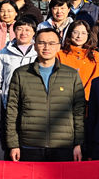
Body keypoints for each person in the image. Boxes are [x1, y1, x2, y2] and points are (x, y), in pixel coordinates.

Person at [5, 28, 85, 162]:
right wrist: (13, 144)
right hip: (29, 145)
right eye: (41, 43)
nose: (46, 47)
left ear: (58, 46)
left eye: (52, 43)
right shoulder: (21, 74)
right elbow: (12, 111)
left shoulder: (71, 75)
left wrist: (78, 143)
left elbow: (79, 112)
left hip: (63, 145)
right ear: (35, 45)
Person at [0, 17, 38, 105]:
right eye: (19, 29)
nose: (23, 33)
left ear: (33, 32)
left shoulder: (38, 52)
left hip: (33, 100)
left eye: (27, 30)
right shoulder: (4, 53)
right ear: (14, 31)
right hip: (9, 99)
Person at [56, 19, 99, 100]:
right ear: (70, 33)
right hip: (64, 99)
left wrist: (84, 97)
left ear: (88, 35)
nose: (79, 36)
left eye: (83, 33)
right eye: (75, 32)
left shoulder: (94, 55)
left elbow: (96, 78)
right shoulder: (59, 54)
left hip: (87, 100)